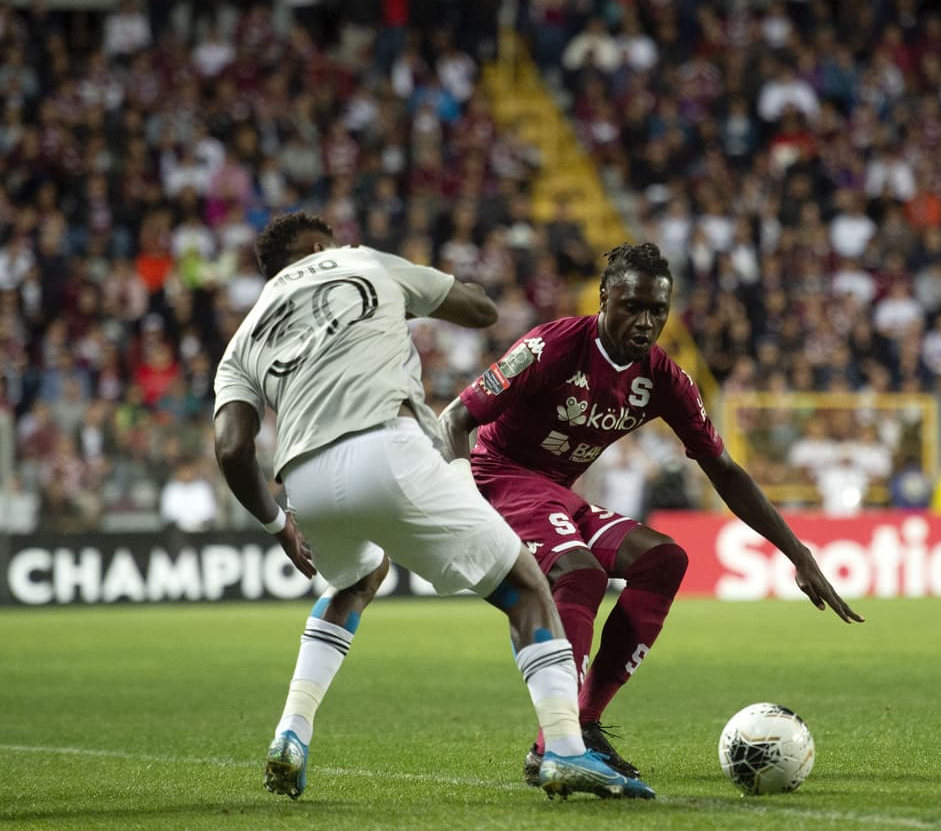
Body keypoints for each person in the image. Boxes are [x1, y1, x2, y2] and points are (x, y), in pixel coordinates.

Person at [212, 213, 653, 801]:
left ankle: (291, 730)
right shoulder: (363, 260)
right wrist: (404, 299)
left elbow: (233, 447)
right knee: (526, 587)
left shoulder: (243, 337)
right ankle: (566, 751)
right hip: (388, 446)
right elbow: (479, 310)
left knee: (357, 578)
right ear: (321, 246)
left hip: (304, 480)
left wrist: (276, 523)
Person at [433, 242, 863, 786]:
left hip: (558, 494)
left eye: (657, 310)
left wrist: (797, 553)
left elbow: (725, 471)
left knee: (664, 559)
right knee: (580, 572)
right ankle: (555, 745)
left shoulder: (664, 379)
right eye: (632, 306)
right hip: (499, 477)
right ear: (604, 298)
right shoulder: (552, 346)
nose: (645, 322)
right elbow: (453, 420)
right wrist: (458, 500)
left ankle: (583, 726)